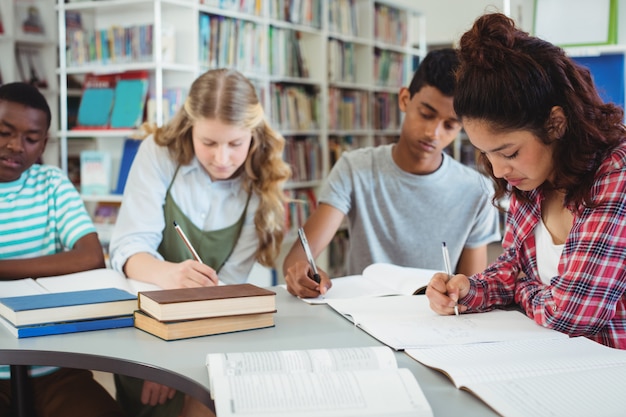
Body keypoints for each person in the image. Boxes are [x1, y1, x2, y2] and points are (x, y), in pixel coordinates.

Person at [425, 13, 626, 350]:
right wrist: (469, 290)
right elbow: (511, 266)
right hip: (549, 362)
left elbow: (572, 315)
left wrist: (520, 288)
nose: (499, 170)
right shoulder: (531, 176)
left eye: (510, 152)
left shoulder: (616, 173)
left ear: (556, 124)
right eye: (487, 154)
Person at [109, 68, 290, 416]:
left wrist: (181, 354)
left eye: (236, 144)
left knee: (214, 399)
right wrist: (168, 277)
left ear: (253, 134)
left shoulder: (260, 182)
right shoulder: (157, 153)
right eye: (208, 143)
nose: (222, 159)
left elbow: (230, 286)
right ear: (190, 127)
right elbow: (128, 250)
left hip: (211, 331)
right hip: (143, 328)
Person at [283, 48, 502, 299]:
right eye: (426, 114)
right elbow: (296, 260)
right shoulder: (355, 169)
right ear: (405, 99)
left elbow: (470, 290)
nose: (434, 132)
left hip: (435, 323)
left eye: (450, 124)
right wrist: (300, 273)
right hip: (363, 317)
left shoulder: (477, 190)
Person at [0, 82, 126, 416]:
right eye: (4, 132)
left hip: (55, 366)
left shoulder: (52, 184)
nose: (15, 146)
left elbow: (90, 256)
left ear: (44, 142)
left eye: (31, 138)